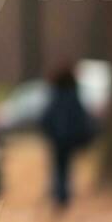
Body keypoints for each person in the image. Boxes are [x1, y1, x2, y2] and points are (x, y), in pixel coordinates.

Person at [40, 63, 96, 212]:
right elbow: (81, 117)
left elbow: (46, 116)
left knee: (58, 167)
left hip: (57, 139)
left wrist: (48, 131)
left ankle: (59, 194)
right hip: (69, 139)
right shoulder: (73, 95)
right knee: (66, 167)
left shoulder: (55, 95)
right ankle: (62, 194)